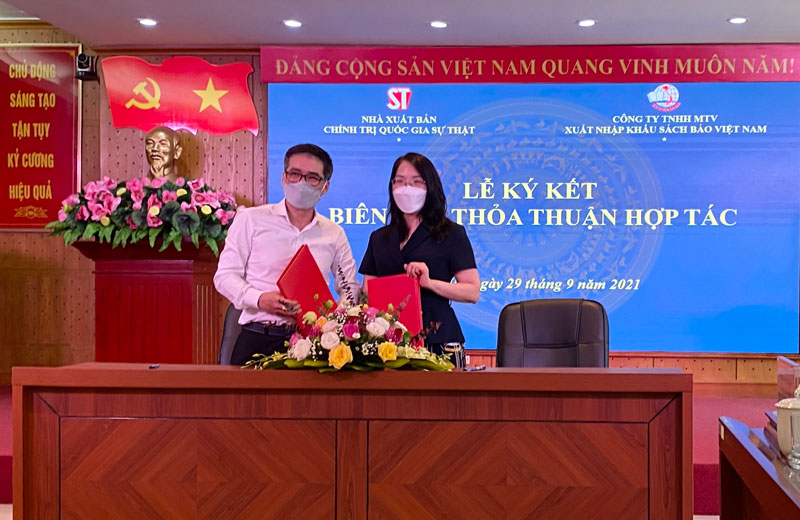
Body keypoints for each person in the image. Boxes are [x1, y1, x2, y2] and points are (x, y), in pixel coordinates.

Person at [214, 143, 360, 365]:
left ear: (325, 187)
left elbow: (349, 287)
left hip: (312, 344)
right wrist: (259, 298)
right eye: (294, 174)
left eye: (312, 178)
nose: (301, 183)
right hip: (258, 337)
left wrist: (333, 324)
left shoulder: (334, 233)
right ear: (284, 177)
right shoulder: (251, 220)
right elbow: (224, 276)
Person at [359, 152, 480, 366]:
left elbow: (472, 291)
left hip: (438, 339)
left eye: (416, 182)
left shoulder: (451, 233)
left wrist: (430, 283)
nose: (407, 188)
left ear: (430, 186)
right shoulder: (379, 238)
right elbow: (366, 293)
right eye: (400, 181)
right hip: (386, 343)